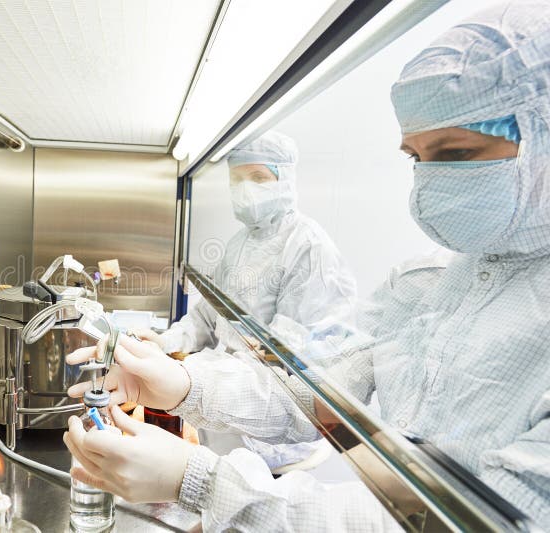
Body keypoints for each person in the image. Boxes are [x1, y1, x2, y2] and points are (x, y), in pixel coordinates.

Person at [64, 1, 550, 530]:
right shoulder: (430, 282)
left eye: (456, 153)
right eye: (416, 157)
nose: (429, 184)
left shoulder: (311, 248)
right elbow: (316, 386)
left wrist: (201, 482)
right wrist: (183, 383)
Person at [138, 131, 357, 468]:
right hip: (223, 406)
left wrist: (185, 374)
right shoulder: (240, 244)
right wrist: (165, 342)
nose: (246, 190)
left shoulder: (308, 249)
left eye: (258, 178)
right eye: (237, 180)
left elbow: (284, 363)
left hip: (270, 438)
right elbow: (207, 315)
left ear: (285, 179)